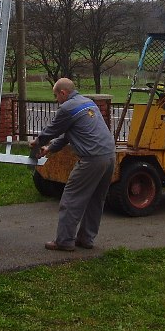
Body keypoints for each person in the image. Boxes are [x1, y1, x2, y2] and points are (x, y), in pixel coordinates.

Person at [30, 78, 116, 252]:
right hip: (109, 156)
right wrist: (49, 148)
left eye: (56, 96)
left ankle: (64, 241)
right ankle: (86, 239)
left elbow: (53, 129)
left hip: (91, 158)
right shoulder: (87, 103)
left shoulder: (67, 107)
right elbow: (69, 134)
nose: (56, 100)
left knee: (71, 198)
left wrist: (38, 142)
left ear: (63, 93)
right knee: (96, 199)